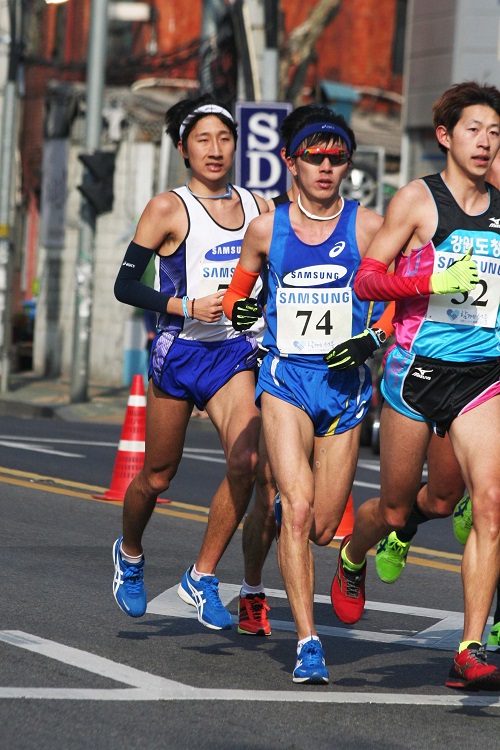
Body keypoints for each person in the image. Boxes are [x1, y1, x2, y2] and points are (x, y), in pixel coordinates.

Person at [331, 81, 500, 691]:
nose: (485, 142)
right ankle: (355, 554)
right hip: (416, 373)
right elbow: (367, 281)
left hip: (484, 376)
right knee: (403, 506)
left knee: (483, 502)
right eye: (474, 130)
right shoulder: (416, 202)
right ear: (446, 136)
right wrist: (425, 278)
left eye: (495, 132)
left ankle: (471, 648)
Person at [223, 105, 394, 684]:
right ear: (290, 161)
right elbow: (237, 297)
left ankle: (348, 557)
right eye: (314, 157)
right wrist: (241, 310)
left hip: (345, 387)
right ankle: (308, 642)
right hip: (286, 379)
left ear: (348, 163)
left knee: (323, 525)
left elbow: (399, 296)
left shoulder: (369, 229)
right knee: (296, 511)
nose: (326, 167)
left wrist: (372, 336)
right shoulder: (267, 229)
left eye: (337, 157)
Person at [111, 94, 273, 634]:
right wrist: (185, 305)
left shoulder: (259, 208)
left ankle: (202, 577)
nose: (215, 149)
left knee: (246, 462)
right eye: (203, 139)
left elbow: (277, 275)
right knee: (157, 475)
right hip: (180, 350)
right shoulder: (167, 209)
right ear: (184, 148)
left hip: (233, 350)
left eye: (225, 139)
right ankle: (130, 552)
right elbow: (125, 286)